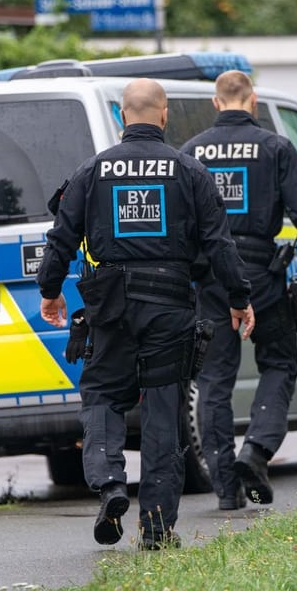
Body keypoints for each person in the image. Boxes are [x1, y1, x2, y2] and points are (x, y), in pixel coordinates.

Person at [36, 78, 255, 550]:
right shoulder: (189, 171)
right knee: (161, 414)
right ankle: (156, 531)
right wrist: (239, 297)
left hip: (110, 308)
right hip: (169, 309)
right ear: (164, 114)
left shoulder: (92, 171)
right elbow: (219, 244)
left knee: (102, 395)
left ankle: (110, 483)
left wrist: (50, 292)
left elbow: (60, 238)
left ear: (121, 117)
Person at [180, 70, 297, 510]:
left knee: (214, 380)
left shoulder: (191, 151)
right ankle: (256, 449)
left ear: (216, 104)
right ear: (253, 101)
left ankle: (226, 489)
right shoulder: (276, 147)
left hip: (211, 277)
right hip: (261, 274)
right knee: (280, 363)